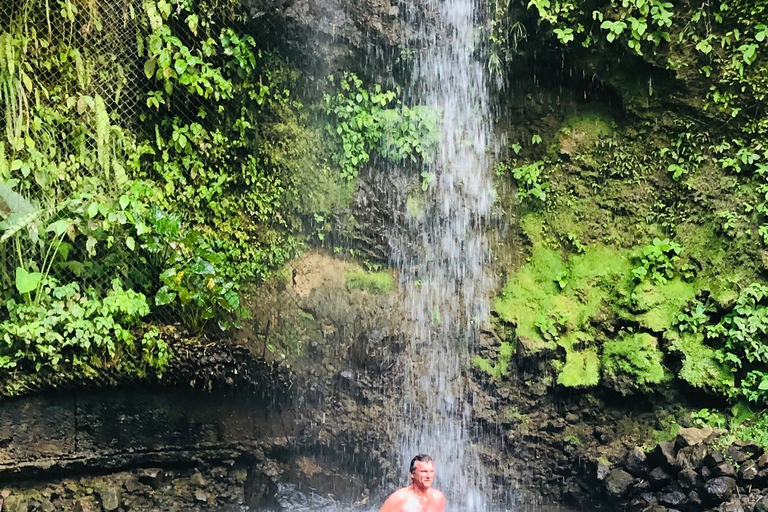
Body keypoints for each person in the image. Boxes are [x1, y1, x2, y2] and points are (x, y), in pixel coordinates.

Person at [378, 454, 446, 512]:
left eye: (431, 471)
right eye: (424, 471)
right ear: (412, 474)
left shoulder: (438, 497)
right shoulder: (399, 498)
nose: (429, 476)